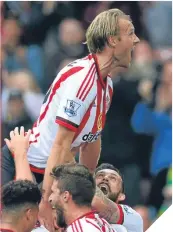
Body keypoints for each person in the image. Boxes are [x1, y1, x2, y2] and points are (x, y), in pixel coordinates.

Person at [2, 8, 140, 231]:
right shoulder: (82, 78)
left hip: (49, 174)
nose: (137, 39)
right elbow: (60, 145)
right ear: (113, 40)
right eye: (131, 33)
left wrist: (84, 190)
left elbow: (92, 142)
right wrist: (46, 201)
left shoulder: (107, 86)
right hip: (22, 165)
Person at [49, 163, 117, 232]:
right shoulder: (102, 223)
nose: (50, 199)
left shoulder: (82, 228)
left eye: (53, 192)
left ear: (65, 196)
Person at [92, 163, 143, 232]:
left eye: (113, 178)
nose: (105, 178)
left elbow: (99, 203)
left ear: (121, 196)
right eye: (100, 176)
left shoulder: (133, 217)